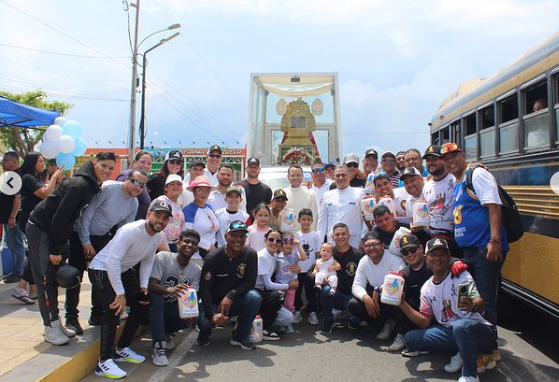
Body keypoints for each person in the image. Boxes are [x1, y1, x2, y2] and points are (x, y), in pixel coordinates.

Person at [27, 152, 115, 346]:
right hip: (41, 228)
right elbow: (61, 217)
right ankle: (50, 327)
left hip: (54, 231)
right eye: (104, 166)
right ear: (94, 164)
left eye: (111, 167)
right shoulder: (80, 185)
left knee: (53, 278)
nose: (107, 171)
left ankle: (55, 323)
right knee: (45, 279)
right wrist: (55, 249)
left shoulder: (91, 185)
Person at [88, 199, 171, 379]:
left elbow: (148, 260)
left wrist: (143, 287)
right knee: (114, 310)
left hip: (123, 270)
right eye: (157, 215)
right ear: (149, 214)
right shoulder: (130, 231)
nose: (160, 220)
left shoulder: (157, 236)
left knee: (141, 303)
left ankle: (122, 348)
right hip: (100, 269)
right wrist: (120, 293)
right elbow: (111, 261)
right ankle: (104, 362)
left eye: (165, 218)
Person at [441, 142, 507, 368]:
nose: (450, 161)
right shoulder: (460, 182)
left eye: (454, 155)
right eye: (446, 158)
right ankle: (484, 347)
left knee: (486, 301)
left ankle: (489, 350)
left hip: (484, 248)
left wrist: (494, 241)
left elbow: (494, 207)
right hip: (470, 250)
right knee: (473, 299)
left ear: (462, 155)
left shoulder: (476, 174)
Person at [400, 238, 497, 382]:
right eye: (433, 254)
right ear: (426, 258)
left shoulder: (460, 275)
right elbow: (424, 322)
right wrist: (401, 303)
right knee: (410, 339)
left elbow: (478, 301)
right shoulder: (427, 287)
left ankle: (469, 374)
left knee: (460, 326)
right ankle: (461, 351)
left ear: (449, 257)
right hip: (450, 331)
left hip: (477, 330)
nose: (438, 258)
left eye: (442, 254)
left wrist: (474, 305)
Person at [67, 169, 147, 333]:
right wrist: (85, 242)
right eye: (135, 181)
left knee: (101, 276)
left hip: (101, 238)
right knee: (74, 279)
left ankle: (96, 314)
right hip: (80, 234)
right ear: (127, 179)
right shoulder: (109, 188)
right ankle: (71, 319)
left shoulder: (134, 204)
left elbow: (122, 231)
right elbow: (87, 215)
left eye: (142, 185)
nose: (137, 187)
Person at [198, 220, 262, 350]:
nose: (238, 239)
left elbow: (250, 282)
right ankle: (203, 335)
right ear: (226, 236)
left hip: (234, 301)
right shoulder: (213, 257)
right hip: (214, 302)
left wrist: (231, 296)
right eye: (234, 235)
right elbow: (205, 289)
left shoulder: (250, 254)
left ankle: (239, 336)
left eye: (242, 236)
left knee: (254, 297)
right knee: (205, 323)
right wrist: (212, 314)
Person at [12, 153, 64, 304]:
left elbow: (51, 195)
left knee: (36, 253)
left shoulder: (35, 178)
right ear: (32, 162)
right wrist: (54, 177)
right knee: (38, 254)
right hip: (30, 219)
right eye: (40, 161)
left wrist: (55, 180)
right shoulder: (27, 178)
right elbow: (44, 194)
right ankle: (21, 285)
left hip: (38, 219)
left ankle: (33, 290)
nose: (43, 164)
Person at [148, 229, 202, 366]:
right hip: (151, 308)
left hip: (171, 308)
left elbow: (192, 297)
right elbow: (151, 285)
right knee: (157, 297)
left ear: (197, 249)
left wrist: (193, 314)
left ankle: (166, 332)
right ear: (178, 243)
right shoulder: (163, 257)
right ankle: (158, 346)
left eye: (194, 243)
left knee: (194, 311)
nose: (190, 245)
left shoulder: (196, 270)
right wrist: (169, 290)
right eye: (186, 241)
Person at [348, 231, 405, 339]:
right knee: (353, 304)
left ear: (383, 245)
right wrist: (366, 298)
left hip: (393, 299)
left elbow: (401, 279)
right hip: (376, 301)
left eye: (375, 244)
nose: (372, 248)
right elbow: (356, 285)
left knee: (396, 297)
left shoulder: (393, 258)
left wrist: (379, 289)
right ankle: (384, 326)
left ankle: (400, 331)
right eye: (368, 245)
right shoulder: (364, 261)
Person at [316, 223, 363, 334]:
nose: (340, 237)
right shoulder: (327, 252)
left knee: (355, 321)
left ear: (349, 235)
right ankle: (328, 320)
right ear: (333, 237)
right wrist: (320, 279)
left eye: (343, 234)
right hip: (334, 295)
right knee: (325, 290)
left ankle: (349, 316)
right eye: (337, 234)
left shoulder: (358, 255)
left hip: (352, 296)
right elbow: (311, 272)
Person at [255, 228, 297, 339]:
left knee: (288, 317)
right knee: (278, 295)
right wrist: (289, 286)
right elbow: (268, 285)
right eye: (271, 239)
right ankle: (265, 329)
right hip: (255, 292)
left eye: (278, 241)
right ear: (265, 240)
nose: (274, 243)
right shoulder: (262, 256)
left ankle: (261, 319)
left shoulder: (274, 256)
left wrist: (296, 268)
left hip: (265, 292)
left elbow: (288, 266)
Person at [422, 145, 457, 254]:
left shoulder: (455, 179)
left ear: (443, 160)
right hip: (434, 241)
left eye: (434, 159)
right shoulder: (426, 186)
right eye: (428, 160)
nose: (430, 163)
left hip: (455, 240)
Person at [319, 166, 366, 248]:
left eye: (343, 175)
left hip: (354, 241)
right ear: (334, 177)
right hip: (333, 242)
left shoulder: (360, 193)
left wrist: (363, 238)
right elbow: (322, 222)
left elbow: (366, 219)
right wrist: (319, 243)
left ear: (349, 177)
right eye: (337, 175)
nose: (340, 178)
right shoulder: (327, 195)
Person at [293, 208, 322, 325]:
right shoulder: (296, 235)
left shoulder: (316, 235)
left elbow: (318, 253)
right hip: (298, 269)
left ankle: (313, 312)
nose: (306, 222)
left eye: (308, 220)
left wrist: (317, 267)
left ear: (312, 220)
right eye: (303, 219)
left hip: (311, 270)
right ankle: (297, 311)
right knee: (297, 291)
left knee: (311, 291)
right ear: (299, 220)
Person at [0, 151, 25, 284]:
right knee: (12, 244)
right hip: (7, 217)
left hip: (14, 218)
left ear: (13, 162)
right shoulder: (10, 175)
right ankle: (16, 270)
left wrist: (12, 217)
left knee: (16, 244)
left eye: (5, 160)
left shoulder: (17, 176)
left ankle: (19, 272)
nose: (3, 163)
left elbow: (18, 198)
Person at [183, 176, 219, 261]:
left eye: (207, 190)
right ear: (194, 192)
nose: (204, 193)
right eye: (200, 190)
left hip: (212, 253)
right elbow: (187, 234)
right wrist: (208, 246)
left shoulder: (209, 207)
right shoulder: (189, 209)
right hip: (196, 255)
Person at [275, 232, 307, 316]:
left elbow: (304, 257)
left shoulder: (295, 255)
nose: (288, 245)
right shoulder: (277, 257)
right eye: (285, 243)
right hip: (279, 283)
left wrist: (299, 245)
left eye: (291, 243)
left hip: (292, 284)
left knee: (289, 304)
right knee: (279, 303)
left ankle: (288, 321)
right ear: (281, 245)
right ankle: (281, 320)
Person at [116, 149, 153, 220]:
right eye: (142, 162)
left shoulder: (143, 179)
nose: (146, 166)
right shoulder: (126, 176)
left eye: (149, 164)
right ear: (134, 162)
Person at [156, 174, 188, 252]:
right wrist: (162, 247)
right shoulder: (161, 201)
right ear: (166, 187)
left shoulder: (179, 205)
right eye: (172, 184)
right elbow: (155, 226)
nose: (176, 186)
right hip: (161, 245)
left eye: (178, 184)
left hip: (175, 244)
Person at [283, 165, 319, 233]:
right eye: (293, 175)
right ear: (288, 177)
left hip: (305, 235)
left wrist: (311, 235)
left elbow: (314, 216)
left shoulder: (310, 193)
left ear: (302, 176)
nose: (295, 178)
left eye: (298, 175)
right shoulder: (283, 193)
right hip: (286, 236)